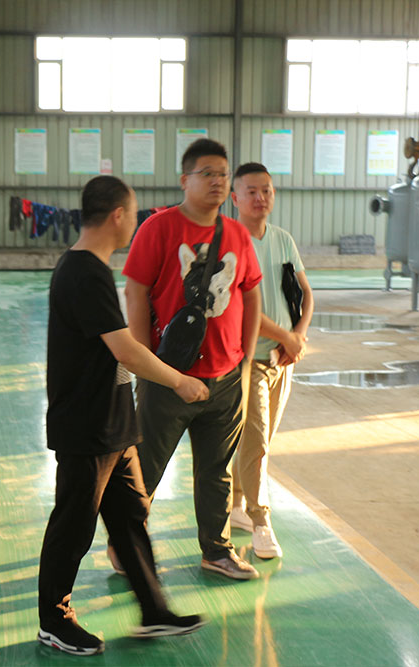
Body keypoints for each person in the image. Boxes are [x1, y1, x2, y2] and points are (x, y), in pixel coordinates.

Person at [38, 175, 208, 657]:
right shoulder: (82, 273)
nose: (135, 223)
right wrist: (178, 380)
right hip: (86, 426)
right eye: (132, 214)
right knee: (74, 526)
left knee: (131, 516)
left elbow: (117, 347)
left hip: (113, 424)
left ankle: (154, 611)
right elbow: (125, 351)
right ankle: (54, 620)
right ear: (117, 216)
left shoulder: (91, 268)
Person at [121, 138, 263, 581]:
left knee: (216, 472)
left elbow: (251, 293)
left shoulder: (236, 234)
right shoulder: (159, 229)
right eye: (208, 173)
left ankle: (216, 551)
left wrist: (244, 359)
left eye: (223, 174)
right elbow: (136, 292)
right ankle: (124, 545)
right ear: (185, 180)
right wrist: (146, 363)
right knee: (146, 468)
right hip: (169, 377)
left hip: (226, 378)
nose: (217, 181)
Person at [229, 162, 314, 559]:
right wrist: (287, 338)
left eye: (266, 190)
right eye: (251, 191)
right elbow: (244, 309)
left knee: (257, 442)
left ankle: (236, 504)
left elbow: (305, 293)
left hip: (283, 359)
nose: (260, 198)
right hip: (250, 359)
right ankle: (260, 520)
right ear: (235, 198)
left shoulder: (282, 239)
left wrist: (298, 338)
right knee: (257, 442)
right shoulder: (231, 243)